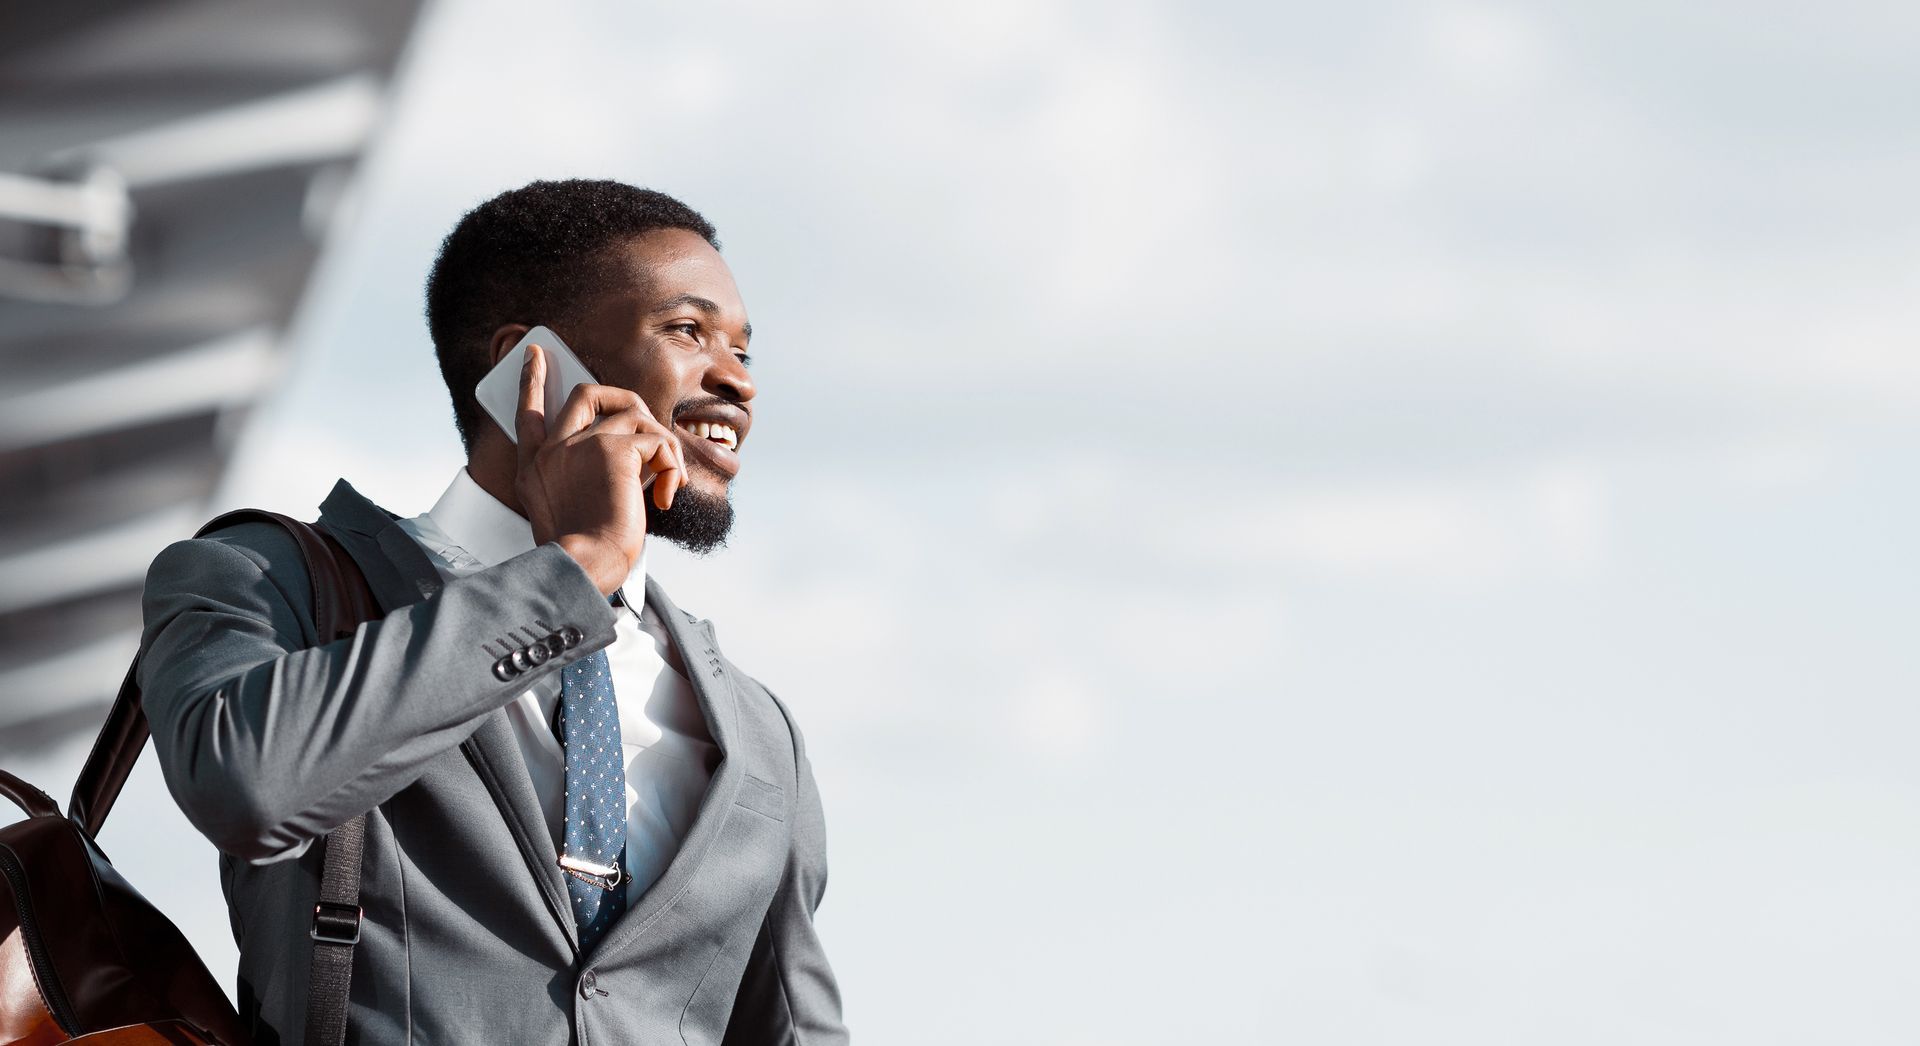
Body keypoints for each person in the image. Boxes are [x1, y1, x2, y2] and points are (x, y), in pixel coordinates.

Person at [135, 180, 848, 1044]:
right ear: (526, 369)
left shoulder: (758, 729)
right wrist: (574, 572)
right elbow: (250, 786)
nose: (737, 380)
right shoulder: (264, 578)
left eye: (743, 349)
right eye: (688, 331)